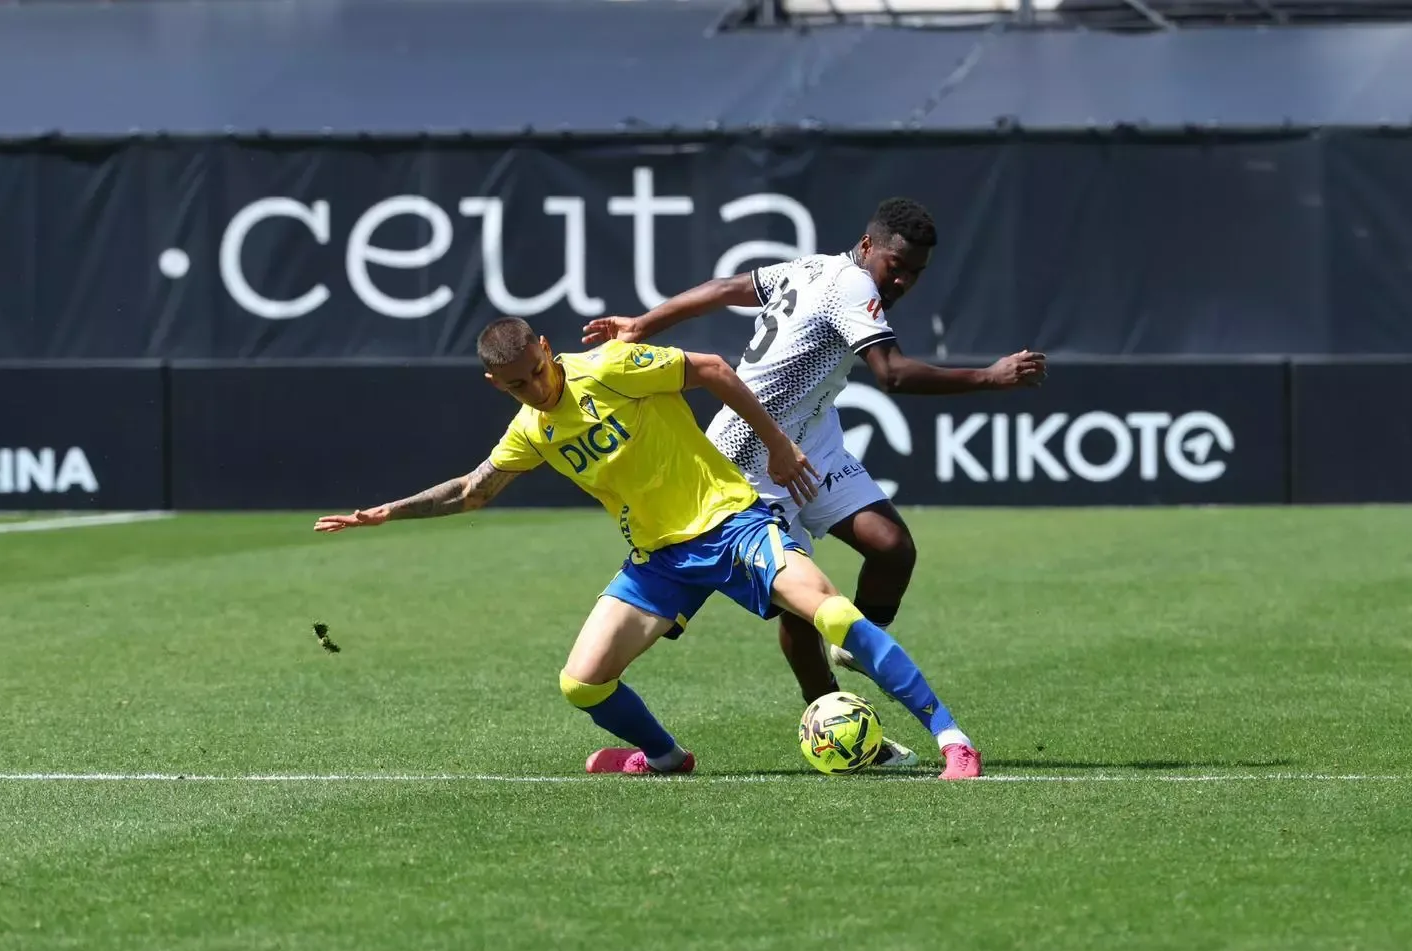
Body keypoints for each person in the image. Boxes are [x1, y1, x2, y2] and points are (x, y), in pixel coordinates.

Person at [314, 316, 984, 780]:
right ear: (498, 385)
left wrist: (778, 446)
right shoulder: (532, 431)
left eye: (539, 371)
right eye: (518, 384)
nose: (537, 388)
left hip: (731, 523)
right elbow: (472, 490)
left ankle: (950, 738)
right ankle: (666, 758)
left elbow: (715, 369)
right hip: (659, 561)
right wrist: (386, 514)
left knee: (832, 614)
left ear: (548, 350)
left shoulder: (610, 368)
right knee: (581, 682)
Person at [582, 197, 1045, 769]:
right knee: (800, 609)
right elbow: (892, 374)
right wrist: (989, 377)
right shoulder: (850, 285)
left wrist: (645, 321)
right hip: (751, 455)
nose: (902, 279)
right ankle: (831, 718)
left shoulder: (811, 268)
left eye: (915, 273)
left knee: (891, 548)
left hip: (812, 438)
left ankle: (856, 642)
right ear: (869, 245)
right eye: (896, 265)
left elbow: (728, 287)